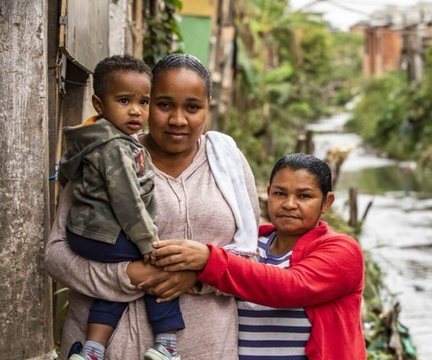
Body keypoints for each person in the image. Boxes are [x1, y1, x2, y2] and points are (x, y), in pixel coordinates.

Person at [45, 53, 259, 359]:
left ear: (207, 106)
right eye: (163, 105)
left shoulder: (228, 163)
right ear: (146, 102)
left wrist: (201, 275)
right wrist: (128, 275)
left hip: (207, 347)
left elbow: (252, 262)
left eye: (193, 107)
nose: (178, 120)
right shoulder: (105, 156)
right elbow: (55, 255)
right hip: (109, 350)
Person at [149, 153, 367, 360]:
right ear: (269, 192)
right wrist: (197, 275)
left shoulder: (342, 250)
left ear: (327, 202)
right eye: (280, 193)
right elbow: (232, 278)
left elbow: (291, 287)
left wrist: (208, 260)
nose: (289, 204)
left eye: (304, 196)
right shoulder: (248, 245)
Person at [57, 54, 184, 360]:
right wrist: (146, 243)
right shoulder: (115, 146)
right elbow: (127, 200)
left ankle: (92, 349)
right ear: (99, 105)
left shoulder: (91, 140)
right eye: (124, 100)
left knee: (118, 283)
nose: (136, 111)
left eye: (144, 102)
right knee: (160, 269)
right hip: (105, 233)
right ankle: (166, 342)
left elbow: (64, 174)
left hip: (86, 232)